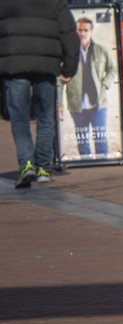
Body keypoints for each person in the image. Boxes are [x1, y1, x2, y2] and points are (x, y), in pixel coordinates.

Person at [0, 0, 79, 188]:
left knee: (19, 118)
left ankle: (27, 164)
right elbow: (68, 33)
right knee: (45, 116)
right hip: (46, 64)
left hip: (14, 63)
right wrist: (69, 67)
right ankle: (43, 168)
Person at [61, 16, 116, 159]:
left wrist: (105, 83)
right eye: (79, 30)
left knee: (100, 136)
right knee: (82, 138)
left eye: (86, 30)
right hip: (77, 103)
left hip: (98, 102)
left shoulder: (101, 50)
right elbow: (60, 78)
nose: (82, 33)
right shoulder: (68, 53)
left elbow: (112, 69)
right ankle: (86, 163)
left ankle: (102, 163)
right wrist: (59, 103)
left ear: (91, 31)